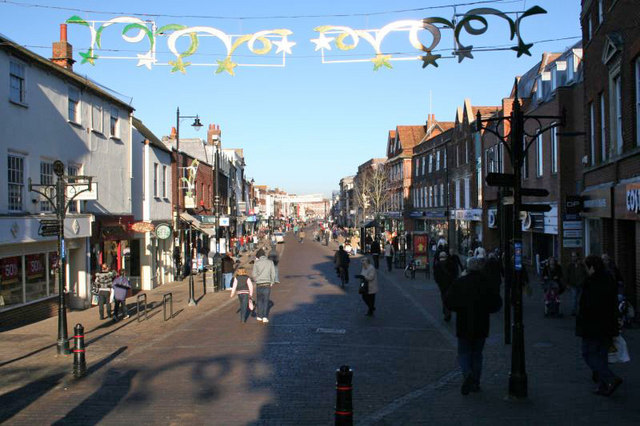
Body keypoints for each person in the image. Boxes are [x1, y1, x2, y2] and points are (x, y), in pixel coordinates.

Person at [445, 257, 503, 395]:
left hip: (464, 324)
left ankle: (467, 374)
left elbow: (448, 301)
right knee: (477, 354)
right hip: (482, 324)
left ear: (467, 268)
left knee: (464, 353)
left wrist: (458, 308)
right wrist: (486, 309)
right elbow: (496, 303)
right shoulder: (486, 283)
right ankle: (475, 382)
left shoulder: (460, 283)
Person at [577, 255, 623, 396]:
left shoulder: (593, 282)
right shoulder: (607, 279)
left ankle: (609, 378)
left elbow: (590, 305)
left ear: (591, 267)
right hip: (607, 325)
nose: (585, 270)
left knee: (588, 353)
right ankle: (603, 385)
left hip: (593, 326)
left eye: (586, 267)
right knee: (601, 355)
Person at [252, 249, 276, 323]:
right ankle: (265, 317)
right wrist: (272, 282)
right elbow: (273, 273)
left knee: (259, 301)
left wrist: (257, 279)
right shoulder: (270, 262)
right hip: (267, 284)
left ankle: (259, 316)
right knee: (266, 301)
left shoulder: (256, 263)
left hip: (259, 284)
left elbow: (253, 275)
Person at [433, 251, 455, 322]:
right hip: (449, 284)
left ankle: (446, 312)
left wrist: (438, 282)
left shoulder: (437, 265)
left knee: (444, 298)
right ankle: (448, 311)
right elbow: (454, 273)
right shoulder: (450, 263)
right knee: (449, 297)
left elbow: (436, 276)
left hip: (442, 285)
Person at [565, 252, 586, 316]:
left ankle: (579, 311)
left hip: (581, 284)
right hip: (573, 284)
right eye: (572, 256)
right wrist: (567, 283)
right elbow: (567, 275)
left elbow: (585, 274)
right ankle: (574, 311)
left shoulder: (582, 265)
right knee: (574, 298)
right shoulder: (570, 265)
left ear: (577, 257)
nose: (573, 258)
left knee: (579, 299)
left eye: (574, 256)